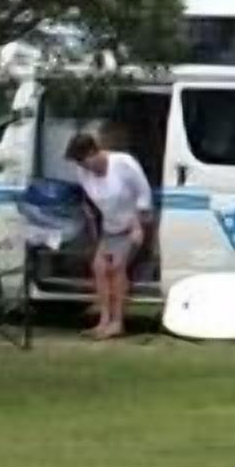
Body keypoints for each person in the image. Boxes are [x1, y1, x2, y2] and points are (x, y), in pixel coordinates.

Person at [67, 130, 152, 341]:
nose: (84, 167)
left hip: (133, 223)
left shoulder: (123, 164)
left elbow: (143, 194)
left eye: (85, 161)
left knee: (117, 267)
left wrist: (138, 226)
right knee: (99, 268)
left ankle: (117, 322)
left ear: (94, 152)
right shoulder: (83, 173)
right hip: (111, 226)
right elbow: (95, 201)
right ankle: (103, 320)